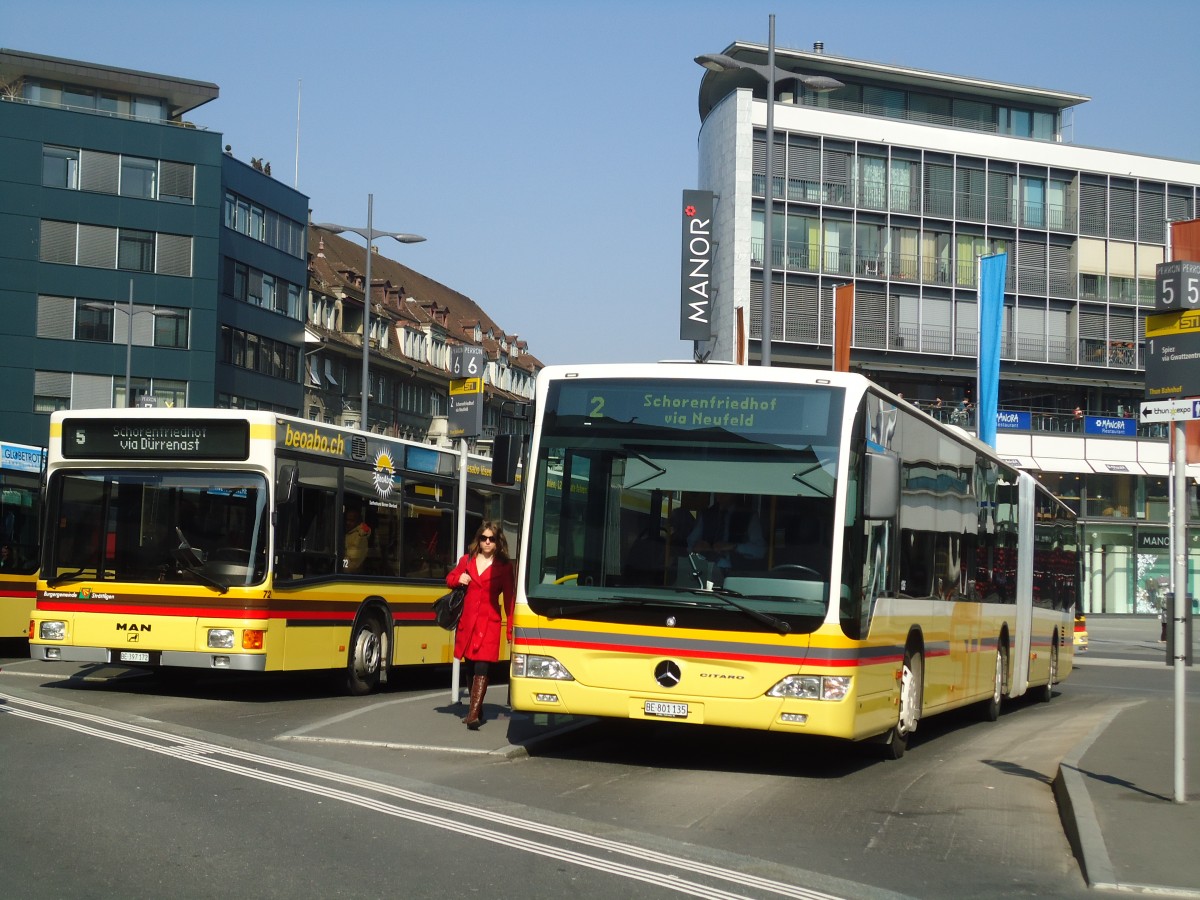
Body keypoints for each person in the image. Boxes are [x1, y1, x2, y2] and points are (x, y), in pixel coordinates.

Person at [447, 521, 516, 730]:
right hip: (468, 622)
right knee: (470, 666)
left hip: (490, 623)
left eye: (491, 539)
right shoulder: (466, 560)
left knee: (482, 666)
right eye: (484, 538)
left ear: (498, 542)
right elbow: (449, 579)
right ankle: (476, 709)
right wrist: (460, 578)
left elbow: (510, 599)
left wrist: (510, 627)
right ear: (478, 539)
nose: (487, 542)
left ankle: (473, 714)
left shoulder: (504, 566)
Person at [687, 493, 766, 573]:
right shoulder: (706, 515)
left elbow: (760, 551)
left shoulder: (749, 516)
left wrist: (734, 546)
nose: (719, 497)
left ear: (734, 494)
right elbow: (690, 544)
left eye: (724, 493)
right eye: (717, 493)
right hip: (707, 570)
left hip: (737, 573)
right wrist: (698, 546)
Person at [344, 508, 370, 572]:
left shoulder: (360, 537)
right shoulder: (348, 533)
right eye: (347, 520)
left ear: (358, 522)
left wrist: (338, 564)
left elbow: (354, 565)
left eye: (351, 520)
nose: (348, 523)